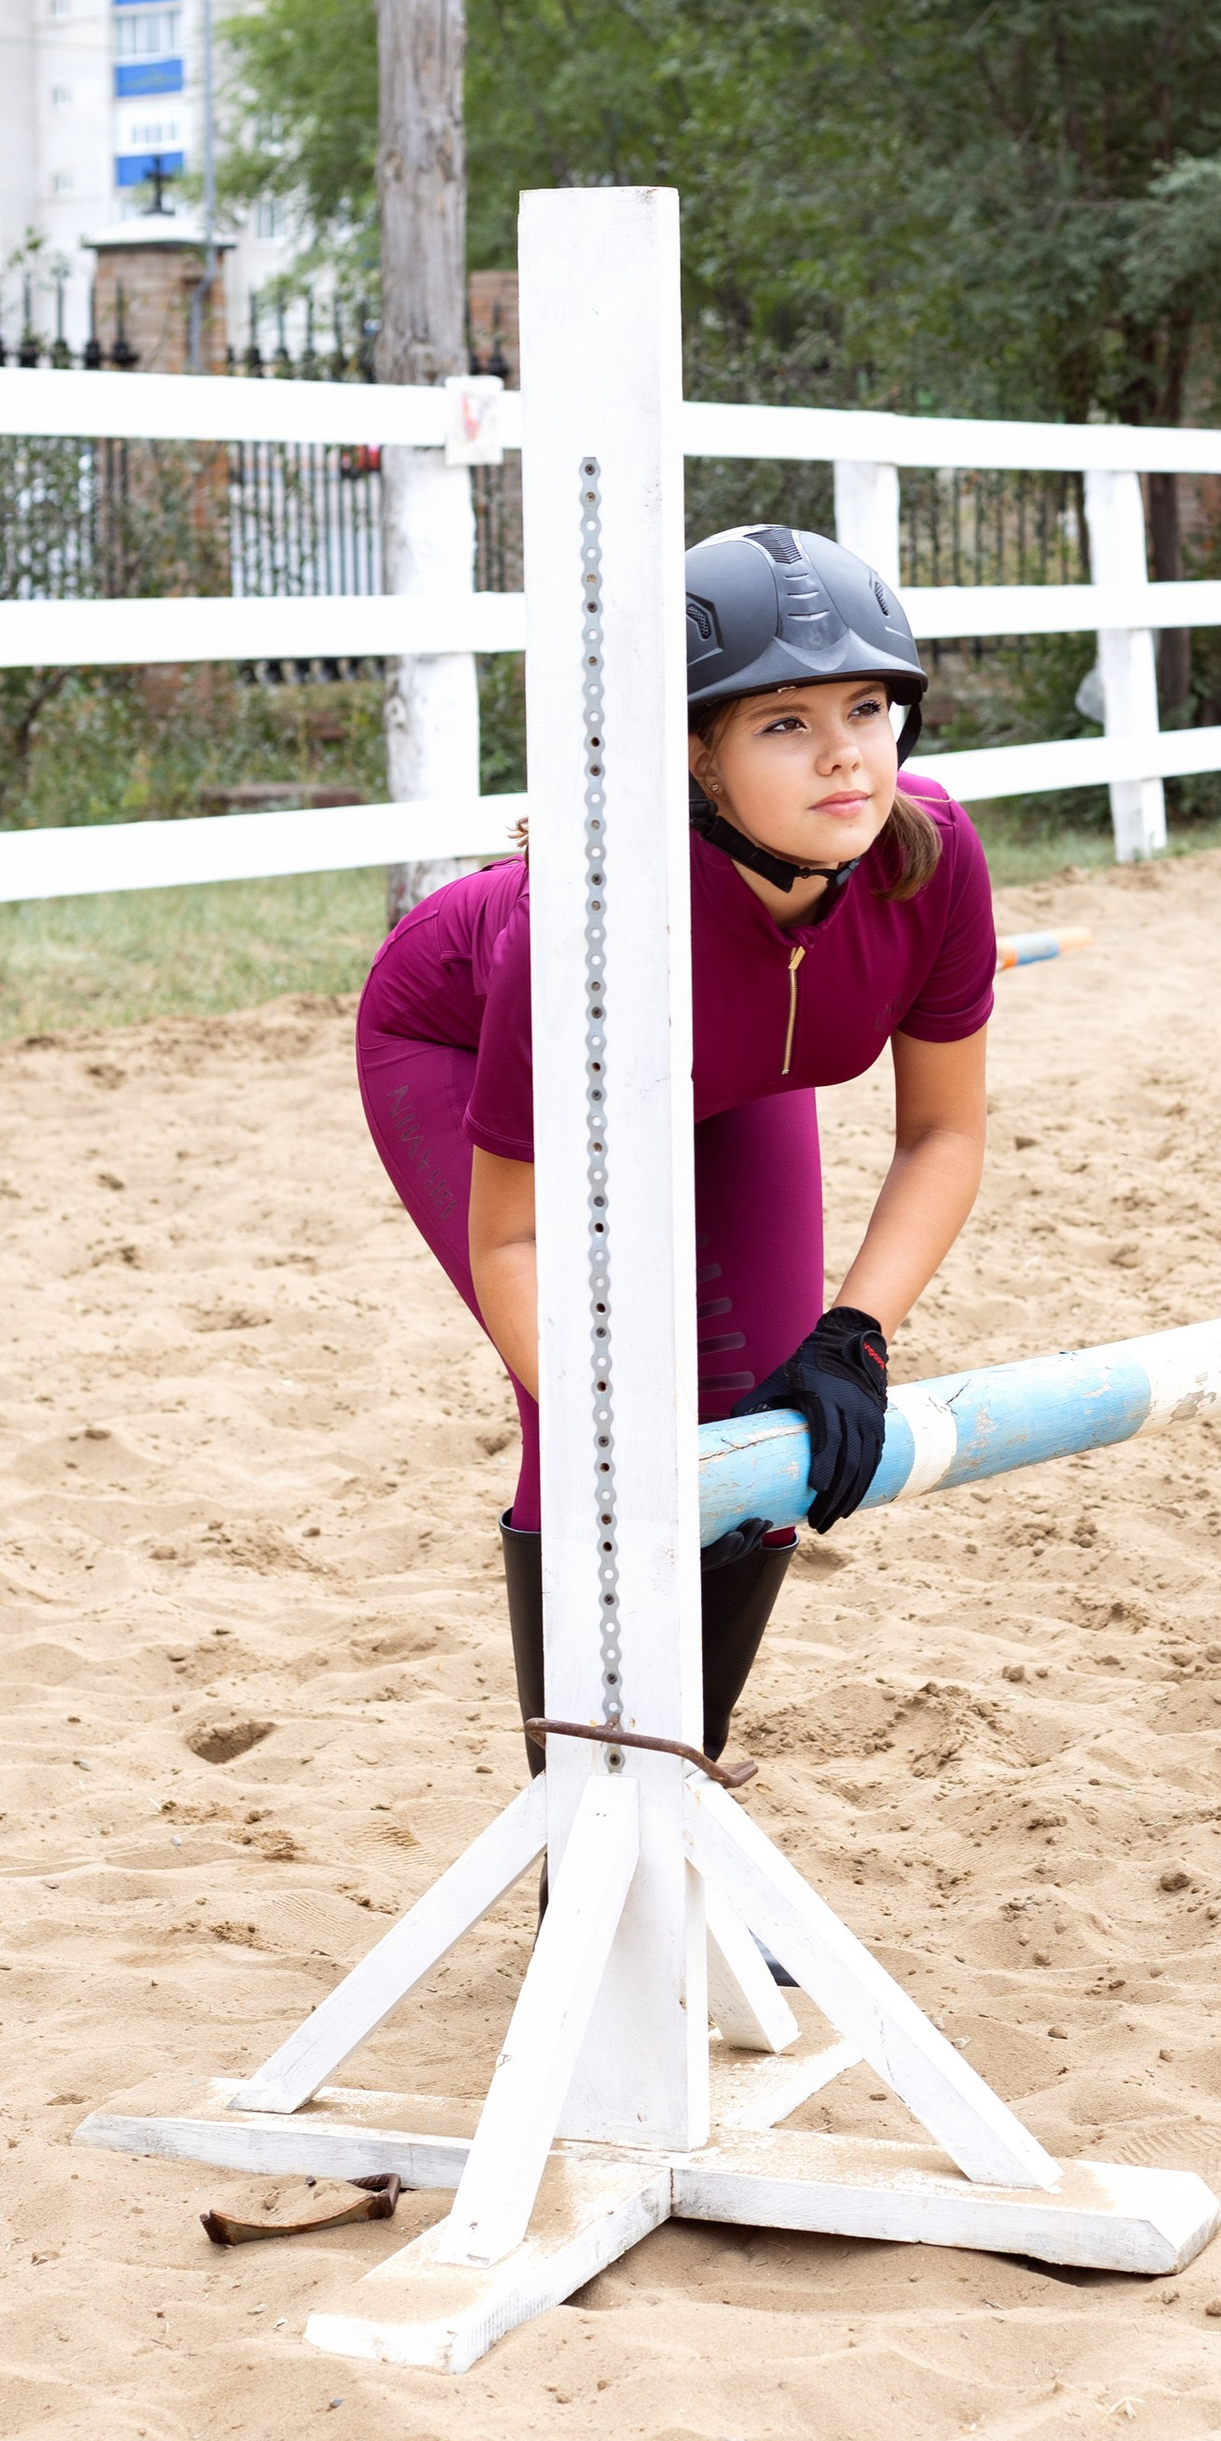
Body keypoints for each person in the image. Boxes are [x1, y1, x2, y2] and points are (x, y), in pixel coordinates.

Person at [355, 522, 995, 1767]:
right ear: (694, 757)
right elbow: (516, 1233)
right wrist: (603, 1424)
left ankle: (672, 1794)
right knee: (591, 1405)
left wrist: (853, 1336)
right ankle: (583, 1849)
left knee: (770, 1419)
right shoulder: (589, 930)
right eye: (784, 724)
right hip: (456, 1042)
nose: (845, 757)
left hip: (724, 1067)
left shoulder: (934, 853)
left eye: (866, 706)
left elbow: (942, 1134)